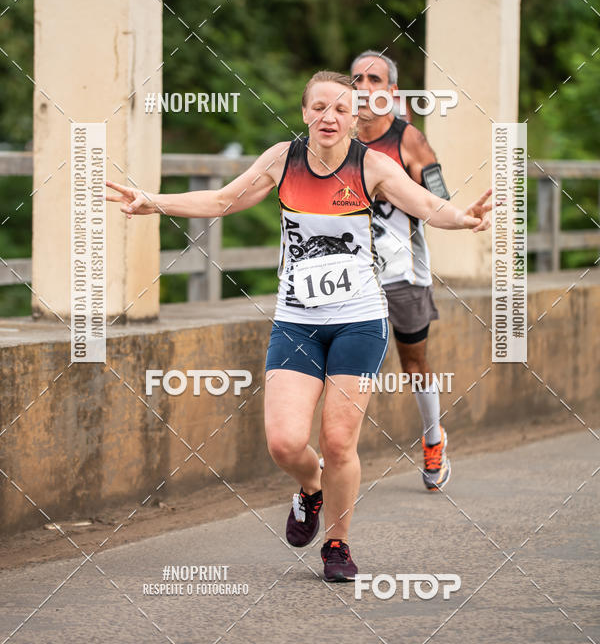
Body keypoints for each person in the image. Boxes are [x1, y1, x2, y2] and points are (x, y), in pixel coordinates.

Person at [106, 70, 491, 581]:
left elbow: (425, 205)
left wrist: (463, 218)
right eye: (319, 107)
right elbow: (222, 200)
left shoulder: (371, 165)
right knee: (285, 444)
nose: (329, 117)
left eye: (340, 109)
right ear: (304, 111)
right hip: (297, 321)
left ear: (356, 117)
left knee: (338, 441)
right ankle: (311, 488)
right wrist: (154, 201)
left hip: (359, 320)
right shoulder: (282, 159)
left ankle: (337, 543)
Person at [351, 49, 455, 490]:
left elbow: (440, 198)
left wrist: (401, 187)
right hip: (352, 274)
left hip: (403, 272)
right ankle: (334, 458)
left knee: (413, 360)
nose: (363, 87)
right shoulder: (338, 136)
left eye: (374, 79)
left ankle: (433, 438)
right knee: (345, 364)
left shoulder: (407, 138)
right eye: (356, 79)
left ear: (391, 91)